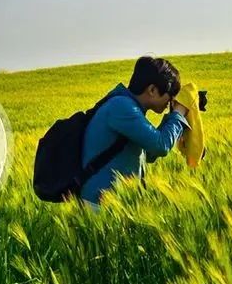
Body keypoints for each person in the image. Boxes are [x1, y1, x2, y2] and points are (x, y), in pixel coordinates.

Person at [80, 56, 190, 211]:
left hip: (111, 202)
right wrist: (179, 113)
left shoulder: (128, 107)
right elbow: (160, 146)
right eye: (170, 95)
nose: (170, 101)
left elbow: (149, 153)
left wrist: (174, 118)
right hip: (100, 205)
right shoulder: (122, 107)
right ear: (152, 90)